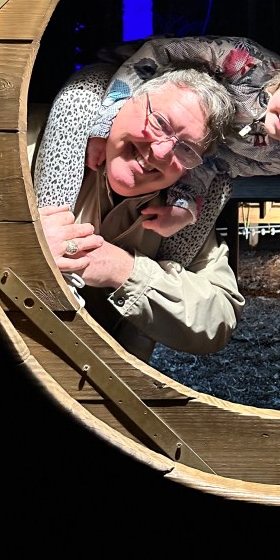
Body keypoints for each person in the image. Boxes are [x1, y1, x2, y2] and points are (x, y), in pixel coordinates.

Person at [31, 61, 246, 363]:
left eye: (186, 149)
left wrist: (123, 269)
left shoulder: (180, 217)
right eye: (159, 122)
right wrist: (27, 249)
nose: (160, 152)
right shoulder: (29, 147)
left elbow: (218, 320)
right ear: (120, 103)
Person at [82, 34, 280, 238]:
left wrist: (185, 206)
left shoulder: (276, 160)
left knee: (216, 193)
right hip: (136, 81)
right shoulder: (244, 61)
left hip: (172, 150)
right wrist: (106, 123)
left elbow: (212, 164)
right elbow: (158, 51)